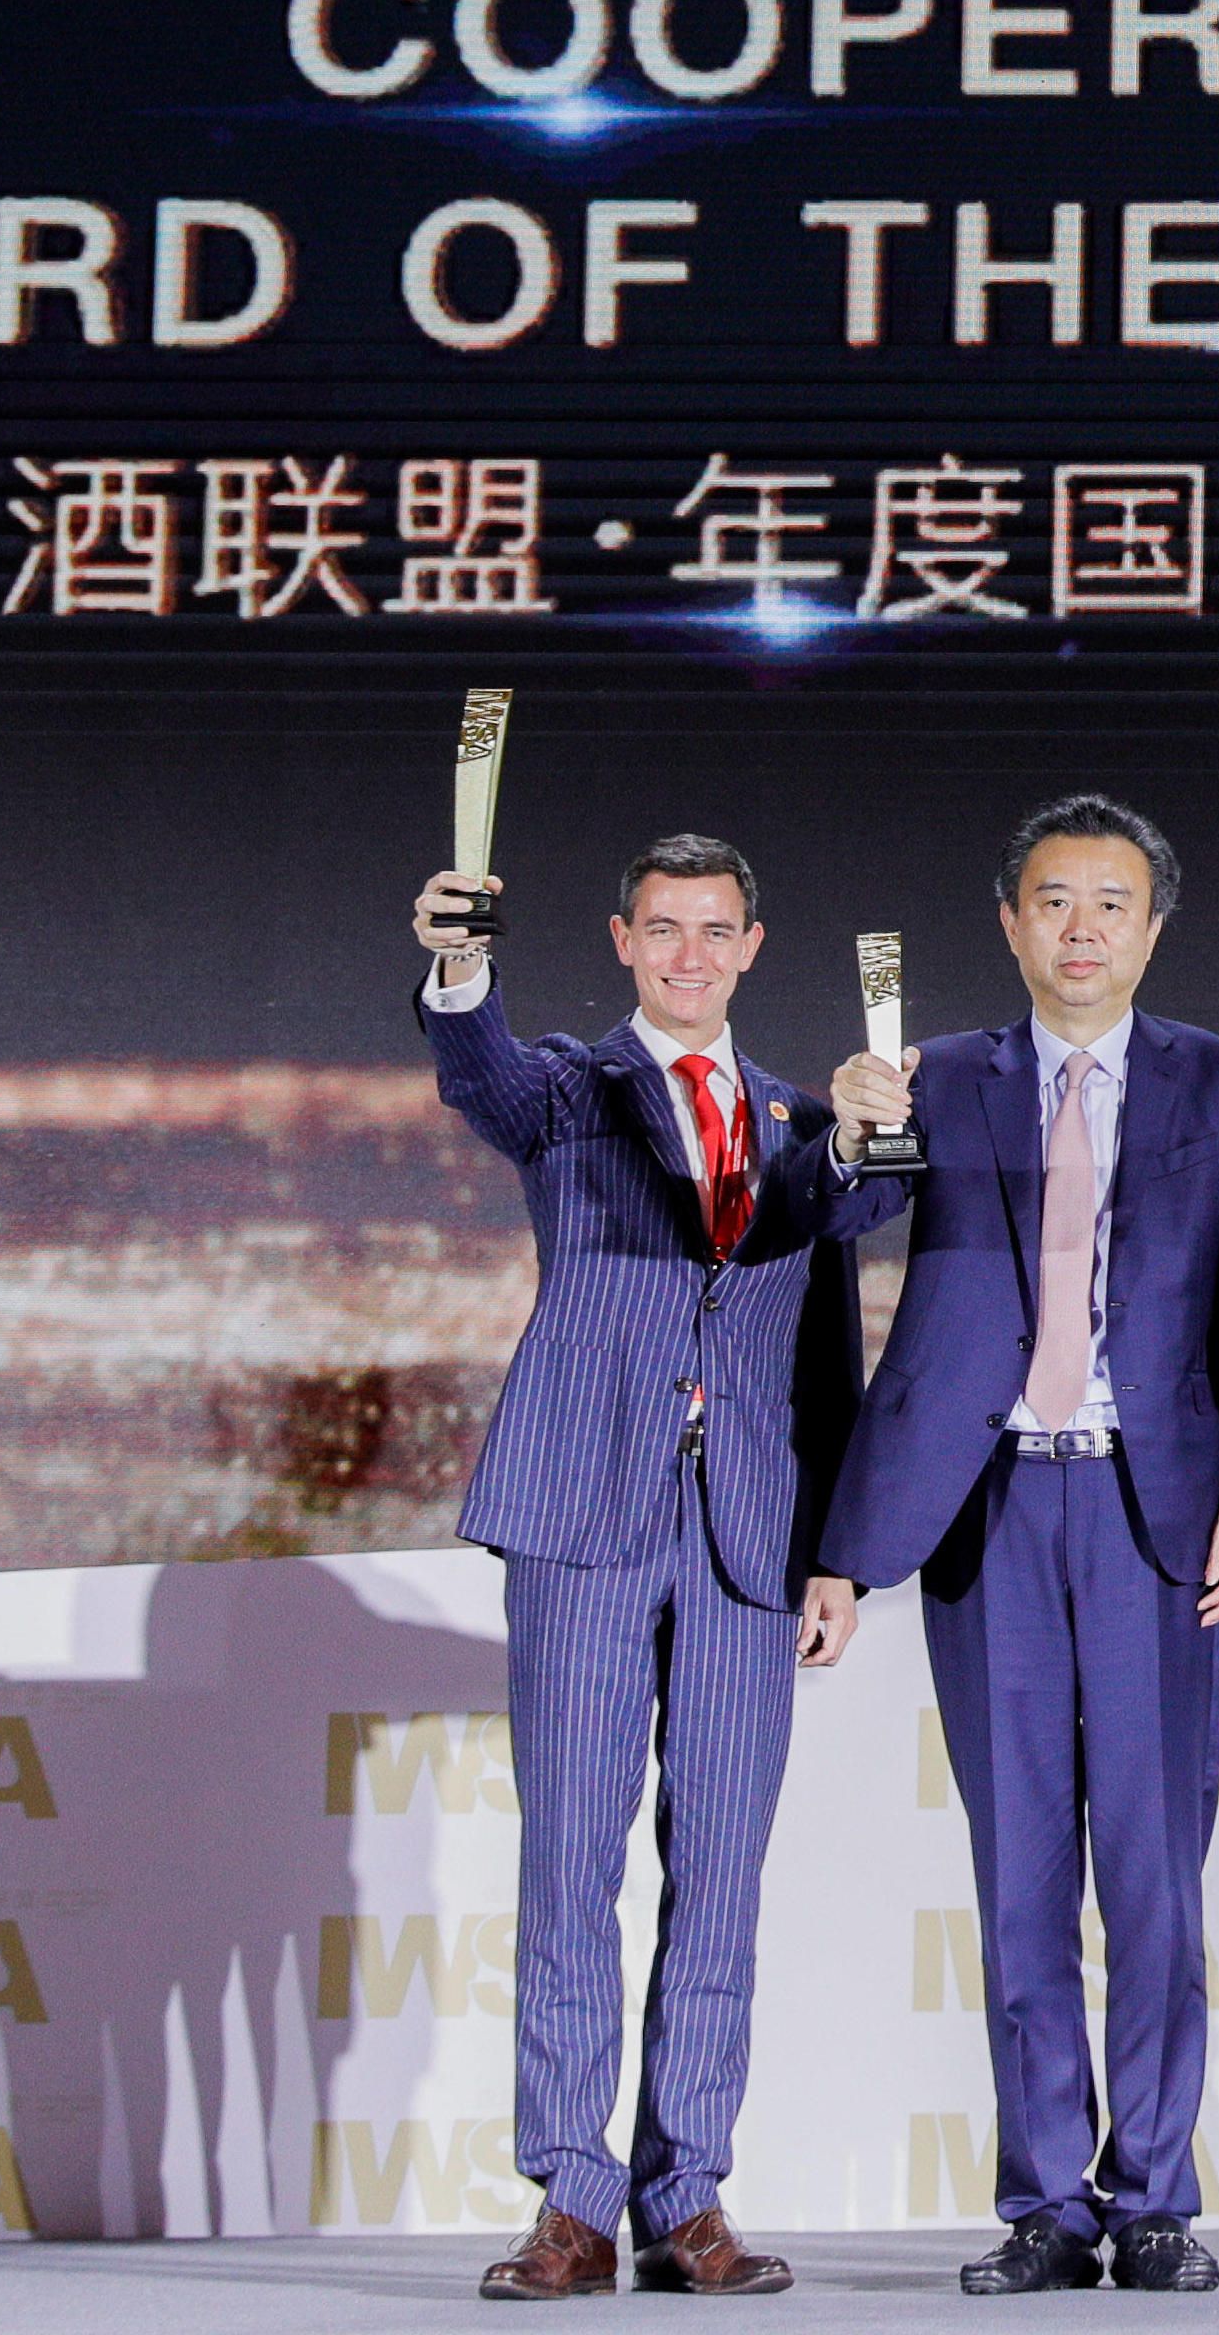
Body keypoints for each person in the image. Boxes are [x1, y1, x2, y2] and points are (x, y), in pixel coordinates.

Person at [410, 835, 907, 2301]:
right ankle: (571, 2197)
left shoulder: (801, 1119)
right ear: (623, 941)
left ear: (753, 947)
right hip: (582, 1510)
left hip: (748, 1531)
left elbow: (846, 1256)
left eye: (716, 930)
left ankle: (687, 2193)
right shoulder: (571, 1090)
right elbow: (477, 1070)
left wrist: (837, 1555)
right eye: (664, 928)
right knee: (571, 1861)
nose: (691, 954)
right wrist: (458, 964)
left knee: (722, 1869)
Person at [820, 795, 1219, 2294]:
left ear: (1154, 926)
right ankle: (1043, 2204)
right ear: (1011, 923)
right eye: (1055, 902)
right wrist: (848, 1137)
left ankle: (1153, 2198)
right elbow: (838, 1228)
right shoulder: (938, 1077)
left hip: (1158, 1513)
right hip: (992, 1506)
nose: (1083, 930)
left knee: (1155, 1877)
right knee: (1019, 1872)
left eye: (1111, 903)